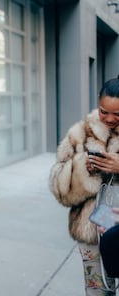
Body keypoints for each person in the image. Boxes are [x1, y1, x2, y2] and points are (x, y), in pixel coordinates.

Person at [49, 77, 119, 296]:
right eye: (103, 111)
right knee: (97, 291)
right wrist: (82, 169)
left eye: (117, 113)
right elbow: (57, 185)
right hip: (92, 232)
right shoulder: (80, 133)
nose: (109, 119)